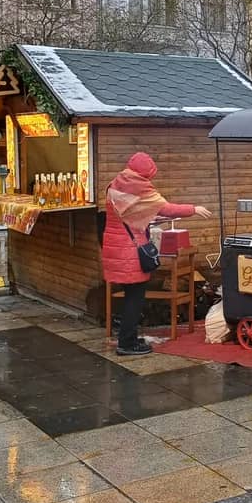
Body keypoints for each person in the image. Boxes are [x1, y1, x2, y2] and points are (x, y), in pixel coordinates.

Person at [102, 152, 212, 356]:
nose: (149, 179)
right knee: (135, 297)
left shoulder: (116, 183)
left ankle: (129, 337)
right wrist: (193, 209)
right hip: (130, 251)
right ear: (144, 173)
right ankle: (126, 343)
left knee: (129, 296)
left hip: (115, 247)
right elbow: (167, 209)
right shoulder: (138, 185)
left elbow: (132, 213)